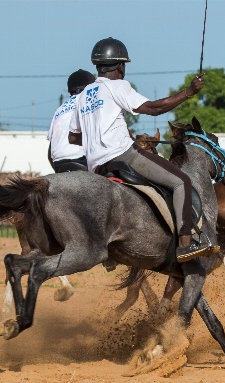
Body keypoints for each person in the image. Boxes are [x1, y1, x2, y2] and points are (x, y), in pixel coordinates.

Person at [69, 37, 209, 263]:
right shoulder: (118, 86)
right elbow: (153, 109)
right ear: (121, 65)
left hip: (96, 166)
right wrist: (189, 92)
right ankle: (186, 244)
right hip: (123, 156)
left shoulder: (84, 94)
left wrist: (97, 138)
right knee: (182, 181)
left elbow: (73, 136)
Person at [47, 69, 96, 172]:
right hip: (82, 159)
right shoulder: (91, 103)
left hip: (59, 163)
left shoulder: (59, 109)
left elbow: (50, 152)